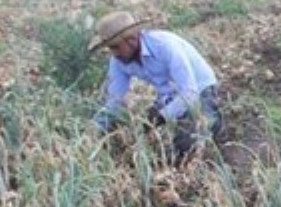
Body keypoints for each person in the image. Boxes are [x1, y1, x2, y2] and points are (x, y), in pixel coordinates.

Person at [88, 12, 227, 161]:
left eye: (115, 47)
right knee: (141, 133)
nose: (113, 53)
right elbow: (114, 101)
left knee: (187, 142)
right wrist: (94, 131)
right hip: (168, 95)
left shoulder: (165, 46)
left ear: (131, 40)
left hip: (200, 89)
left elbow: (190, 93)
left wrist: (161, 116)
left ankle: (215, 125)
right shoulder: (118, 61)